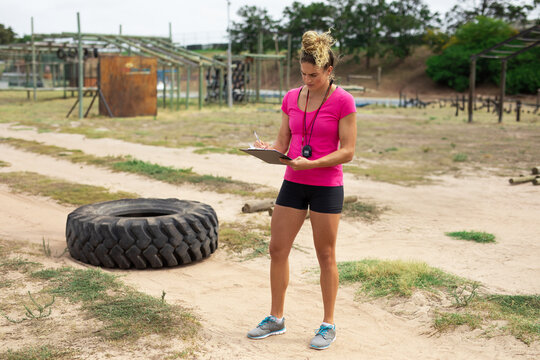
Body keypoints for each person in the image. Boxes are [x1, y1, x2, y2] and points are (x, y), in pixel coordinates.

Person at [246, 29, 357, 350]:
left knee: (326, 255)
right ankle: (275, 318)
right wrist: (269, 149)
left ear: (329, 70)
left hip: (326, 186)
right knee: (277, 249)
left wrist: (314, 163)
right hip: (293, 183)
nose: (307, 80)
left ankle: (328, 324)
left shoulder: (343, 100)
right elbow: (284, 142)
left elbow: (348, 151)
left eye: (314, 75)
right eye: (303, 74)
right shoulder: (291, 97)